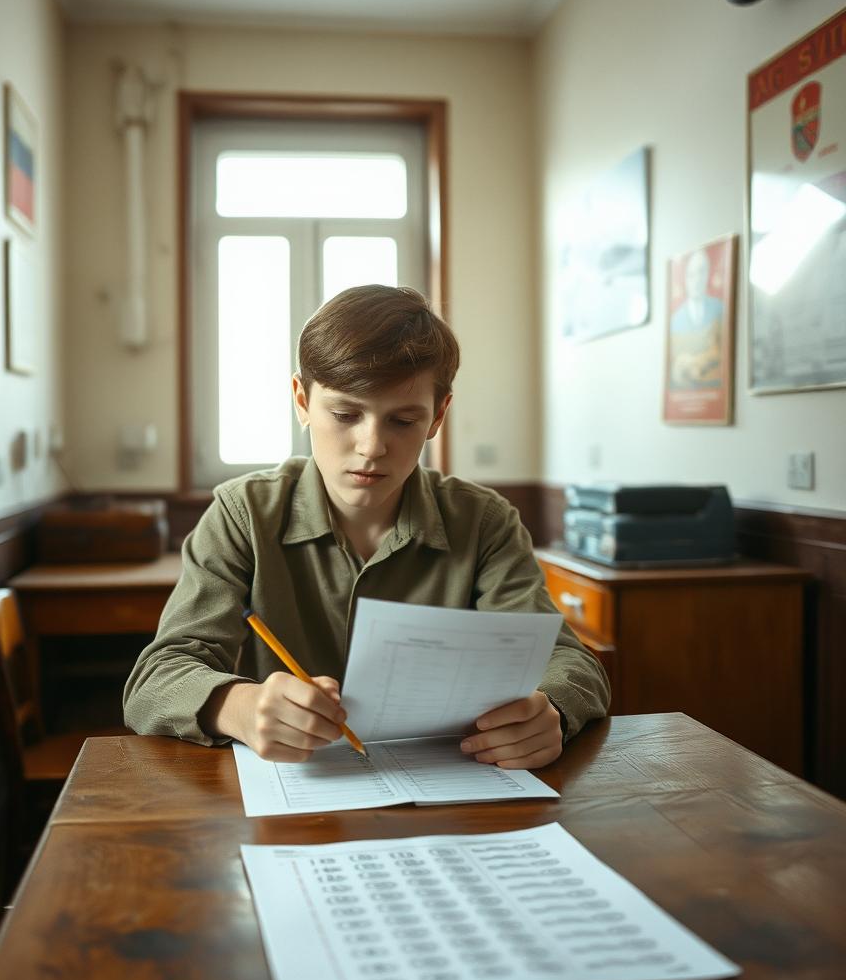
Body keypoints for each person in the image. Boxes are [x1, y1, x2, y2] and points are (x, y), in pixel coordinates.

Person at [124, 285, 610, 769]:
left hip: (450, 787)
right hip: (287, 801)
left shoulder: (483, 521)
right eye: (344, 414)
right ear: (301, 400)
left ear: (438, 415)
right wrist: (239, 708)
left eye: (402, 420)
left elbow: (570, 662)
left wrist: (551, 710)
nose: (371, 446)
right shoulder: (243, 513)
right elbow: (156, 678)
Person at [669, 248, 724, 389]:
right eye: (691, 275)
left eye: (701, 272)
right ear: (685, 278)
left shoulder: (720, 309)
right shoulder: (675, 319)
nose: (697, 280)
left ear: (707, 275)